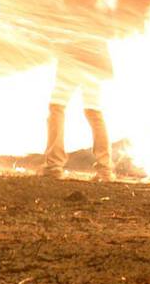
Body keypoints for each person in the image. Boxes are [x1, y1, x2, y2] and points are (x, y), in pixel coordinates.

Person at [43, 36, 114, 181]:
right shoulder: (100, 14)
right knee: (93, 110)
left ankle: (54, 166)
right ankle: (105, 169)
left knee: (57, 106)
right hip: (96, 57)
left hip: (72, 54)